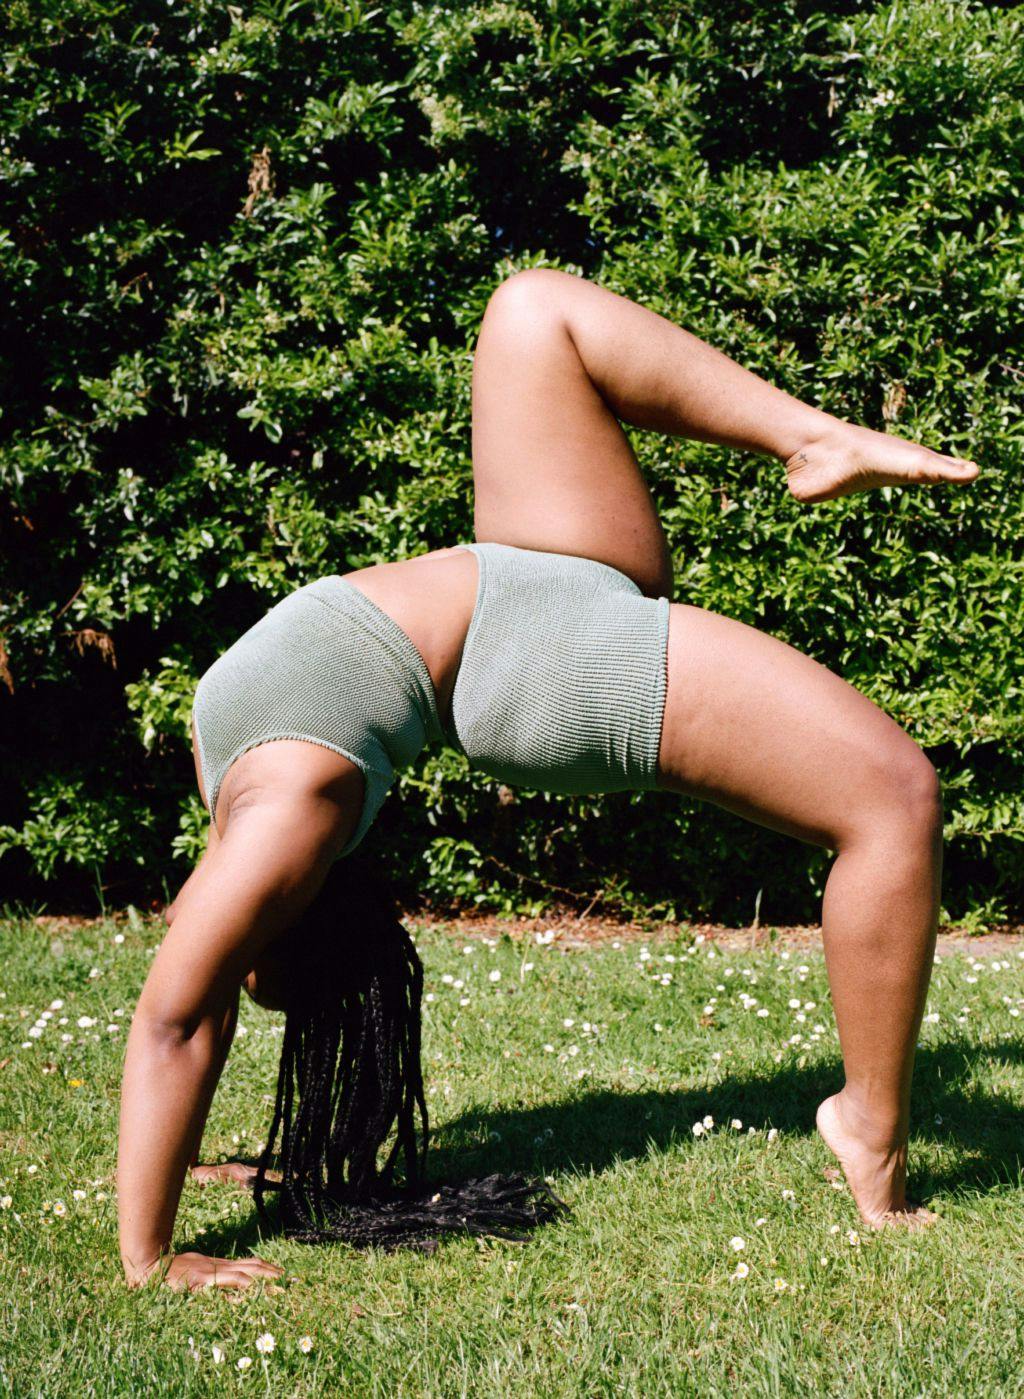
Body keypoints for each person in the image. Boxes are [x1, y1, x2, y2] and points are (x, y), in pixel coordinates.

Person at [117, 270, 979, 1291]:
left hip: (529, 566)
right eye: (244, 944)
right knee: (892, 798)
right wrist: (150, 1258)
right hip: (532, 663)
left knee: (531, 309)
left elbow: (194, 983)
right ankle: (868, 1133)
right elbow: (178, 1018)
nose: (208, 935)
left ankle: (812, 435)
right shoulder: (291, 810)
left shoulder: (235, 782)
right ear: (289, 899)